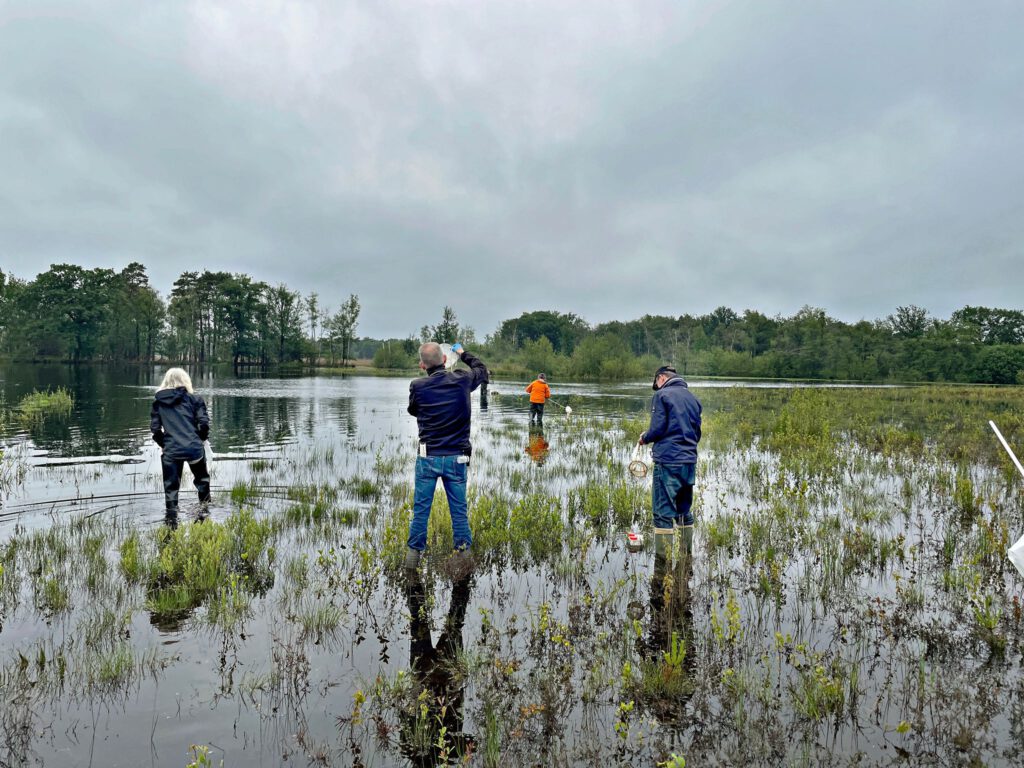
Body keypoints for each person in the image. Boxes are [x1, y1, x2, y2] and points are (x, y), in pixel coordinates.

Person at [405, 342, 488, 569]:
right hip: (457, 458)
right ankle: (464, 559)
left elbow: (413, 410)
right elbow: (482, 370)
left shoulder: (417, 386)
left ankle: (412, 563)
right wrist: (463, 354)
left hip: (428, 458)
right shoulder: (462, 379)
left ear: (422, 365)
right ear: (444, 360)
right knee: (459, 511)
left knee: (421, 510)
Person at [637, 365, 701, 560]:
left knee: (662, 513)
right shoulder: (692, 398)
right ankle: (686, 556)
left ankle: (663, 564)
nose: (657, 387)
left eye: (656, 383)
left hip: (668, 461)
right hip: (689, 461)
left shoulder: (662, 396)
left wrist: (644, 438)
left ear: (661, 378)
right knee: (683, 510)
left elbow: (657, 429)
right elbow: (697, 433)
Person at [150, 367, 210, 515]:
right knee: (202, 482)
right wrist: (200, 440)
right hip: (194, 449)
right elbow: (204, 424)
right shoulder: (195, 400)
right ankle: (204, 515)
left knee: (171, 490)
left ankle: (171, 522)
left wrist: (164, 444)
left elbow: (155, 429)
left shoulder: (159, 402)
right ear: (185, 380)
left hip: (171, 451)